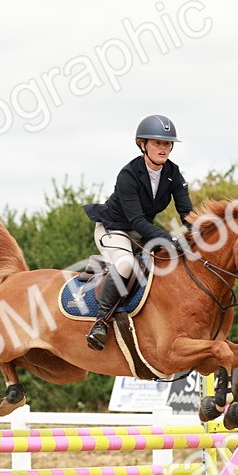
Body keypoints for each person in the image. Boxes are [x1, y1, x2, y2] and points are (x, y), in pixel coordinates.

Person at [81, 114, 193, 351]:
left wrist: (203, 233)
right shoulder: (128, 175)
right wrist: (171, 239)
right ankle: (101, 323)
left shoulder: (173, 173)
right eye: (157, 143)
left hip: (141, 234)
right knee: (125, 265)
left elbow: (187, 212)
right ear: (142, 144)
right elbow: (136, 220)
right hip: (114, 229)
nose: (163, 148)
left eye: (167, 144)